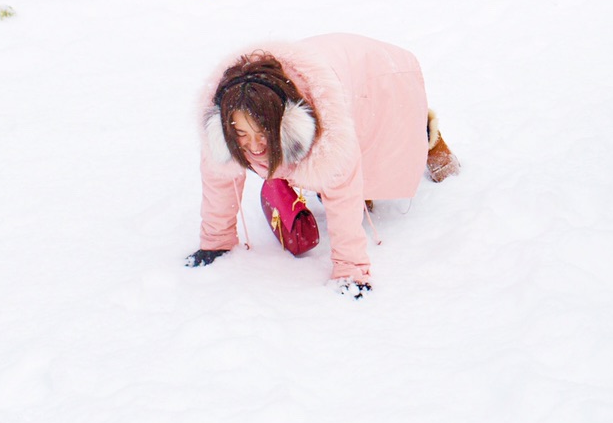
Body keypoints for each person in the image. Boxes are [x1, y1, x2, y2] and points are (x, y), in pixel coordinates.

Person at [184, 33, 458, 296]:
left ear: (287, 123)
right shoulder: (220, 128)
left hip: (372, 75)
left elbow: (342, 193)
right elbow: (219, 181)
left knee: (381, 139)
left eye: (262, 134)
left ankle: (431, 141)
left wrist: (350, 269)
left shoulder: (328, 134)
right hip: (324, 65)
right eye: (241, 135)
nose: (253, 146)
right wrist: (216, 244)